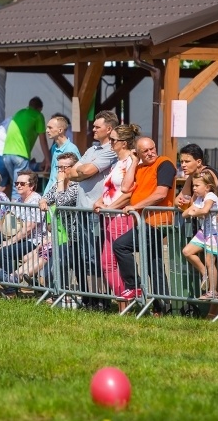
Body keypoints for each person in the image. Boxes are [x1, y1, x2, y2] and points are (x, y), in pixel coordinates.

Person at [61, 110, 118, 309]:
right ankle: (91, 298)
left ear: (108, 129)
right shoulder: (92, 149)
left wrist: (80, 172)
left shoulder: (111, 150)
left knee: (97, 257)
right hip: (82, 209)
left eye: (97, 126)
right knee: (86, 256)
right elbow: (72, 172)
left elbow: (86, 170)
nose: (92, 129)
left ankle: (102, 300)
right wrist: (79, 172)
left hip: (97, 212)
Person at [114, 137, 177, 315]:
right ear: (139, 153)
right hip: (144, 221)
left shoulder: (164, 163)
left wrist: (136, 206)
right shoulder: (140, 167)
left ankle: (134, 286)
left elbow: (161, 193)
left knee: (120, 245)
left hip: (157, 221)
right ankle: (163, 306)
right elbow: (126, 189)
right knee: (154, 263)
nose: (150, 153)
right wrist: (134, 161)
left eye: (152, 149)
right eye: (145, 151)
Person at [94, 124, 140, 302]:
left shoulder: (131, 162)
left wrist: (110, 207)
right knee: (107, 263)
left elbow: (129, 192)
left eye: (113, 140)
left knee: (114, 262)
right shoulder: (118, 163)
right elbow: (110, 188)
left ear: (124, 143)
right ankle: (122, 299)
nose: (110, 143)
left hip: (121, 217)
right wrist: (98, 202)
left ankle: (125, 301)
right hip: (109, 217)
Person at [0, 170, 44, 296]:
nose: (18, 186)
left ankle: (10, 288)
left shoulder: (36, 201)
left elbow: (29, 228)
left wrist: (10, 241)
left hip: (35, 240)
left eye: (22, 183)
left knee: (5, 251)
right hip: (21, 238)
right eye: (16, 183)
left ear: (31, 186)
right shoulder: (18, 201)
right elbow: (10, 224)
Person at [34, 152, 81, 288]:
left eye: (63, 168)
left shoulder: (76, 186)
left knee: (77, 269)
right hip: (63, 236)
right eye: (58, 167)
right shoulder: (59, 184)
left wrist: (60, 182)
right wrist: (43, 201)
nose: (60, 171)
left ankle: (77, 296)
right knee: (56, 267)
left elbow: (60, 202)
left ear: (74, 167)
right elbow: (47, 197)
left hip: (75, 236)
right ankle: (60, 294)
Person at [182, 171, 218, 301]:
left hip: (216, 232)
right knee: (187, 251)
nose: (194, 188)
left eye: (197, 185)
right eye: (193, 186)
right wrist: (191, 210)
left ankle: (213, 292)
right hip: (205, 231)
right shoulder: (199, 199)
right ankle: (205, 273)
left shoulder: (211, 195)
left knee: (209, 260)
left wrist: (194, 212)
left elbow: (205, 210)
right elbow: (184, 214)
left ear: (207, 187)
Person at [3, 97, 49, 200]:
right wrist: (48, 159)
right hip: (20, 154)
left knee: (15, 185)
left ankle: (13, 212)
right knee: (19, 188)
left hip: (6, 154)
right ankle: (16, 214)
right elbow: (43, 140)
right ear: (40, 108)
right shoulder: (38, 115)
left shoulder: (20, 112)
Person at [43, 115, 81, 194]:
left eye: (50, 128)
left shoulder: (72, 149)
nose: (47, 130)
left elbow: (76, 175)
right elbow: (53, 175)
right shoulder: (54, 147)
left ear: (60, 130)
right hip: (51, 194)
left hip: (62, 196)